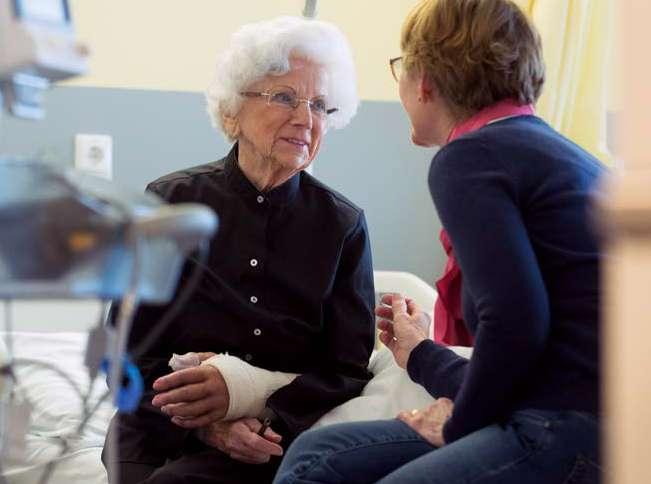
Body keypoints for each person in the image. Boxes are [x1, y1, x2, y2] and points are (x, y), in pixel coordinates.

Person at [273, 0, 604, 483]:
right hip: (579, 413)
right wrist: (419, 352)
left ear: (424, 77)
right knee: (317, 454)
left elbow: (515, 322)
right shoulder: (560, 155)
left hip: (566, 426)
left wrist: (458, 426)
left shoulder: (472, 156)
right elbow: (523, 355)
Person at [101, 16, 375, 484]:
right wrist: (207, 425)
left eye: (320, 106)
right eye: (285, 97)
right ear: (232, 111)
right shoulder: (170, 203)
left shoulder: (342, 226)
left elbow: (346, 367)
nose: (305, 119)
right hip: (154, 423)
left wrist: (269, 419)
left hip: (263, 436)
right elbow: (125, 347)